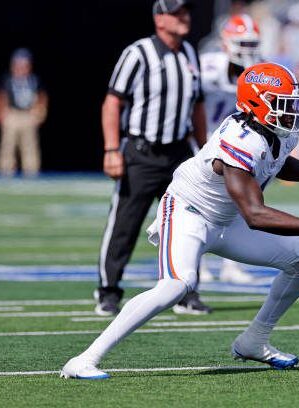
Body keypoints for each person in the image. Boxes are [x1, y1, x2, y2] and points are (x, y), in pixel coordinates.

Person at [60, 62, 299, 379]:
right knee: (175, 286)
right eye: (282, 103)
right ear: (257, 102)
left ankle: (254, 341)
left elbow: (277, 162)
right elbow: (256, 215)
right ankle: (85, 358)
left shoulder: (272, 130)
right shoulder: (240, 139)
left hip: (227, 219)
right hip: (188, 213)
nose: (291, 111)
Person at [95, 0, 210, 316]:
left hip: (178, 153)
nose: (185, 17)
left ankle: (186, 291)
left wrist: (204, 150)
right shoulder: (138, 53)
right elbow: (112, 102)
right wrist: (110, 149)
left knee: (189, 222)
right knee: (125, 223)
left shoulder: (189, 53)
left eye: (186, 12)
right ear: (160, 19)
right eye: (177, 13)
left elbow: (197, 106)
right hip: (142, 151)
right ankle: (108, 290)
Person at [194, 13, 263, 286]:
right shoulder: (206, 66)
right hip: (202, 143)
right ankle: (196, 262)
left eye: (251, 44)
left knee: (238, 204)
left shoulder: (260, 71)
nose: (247, 50)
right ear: (226, 42)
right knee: (200, 205)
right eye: (241, 43)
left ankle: (231, 265)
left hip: (235, 146)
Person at [0, 48, 48, 177]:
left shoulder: (33, 80)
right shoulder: (7, 80)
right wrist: (0, 113)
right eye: (18, 64)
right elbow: (0, 96)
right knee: (7, 145)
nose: (21, 68)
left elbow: (42, 96)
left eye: (24, 65)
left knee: (30, 146)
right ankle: (5, 172)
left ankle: (31, 172)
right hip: (12, 114)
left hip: (28, 115)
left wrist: (40, 112)